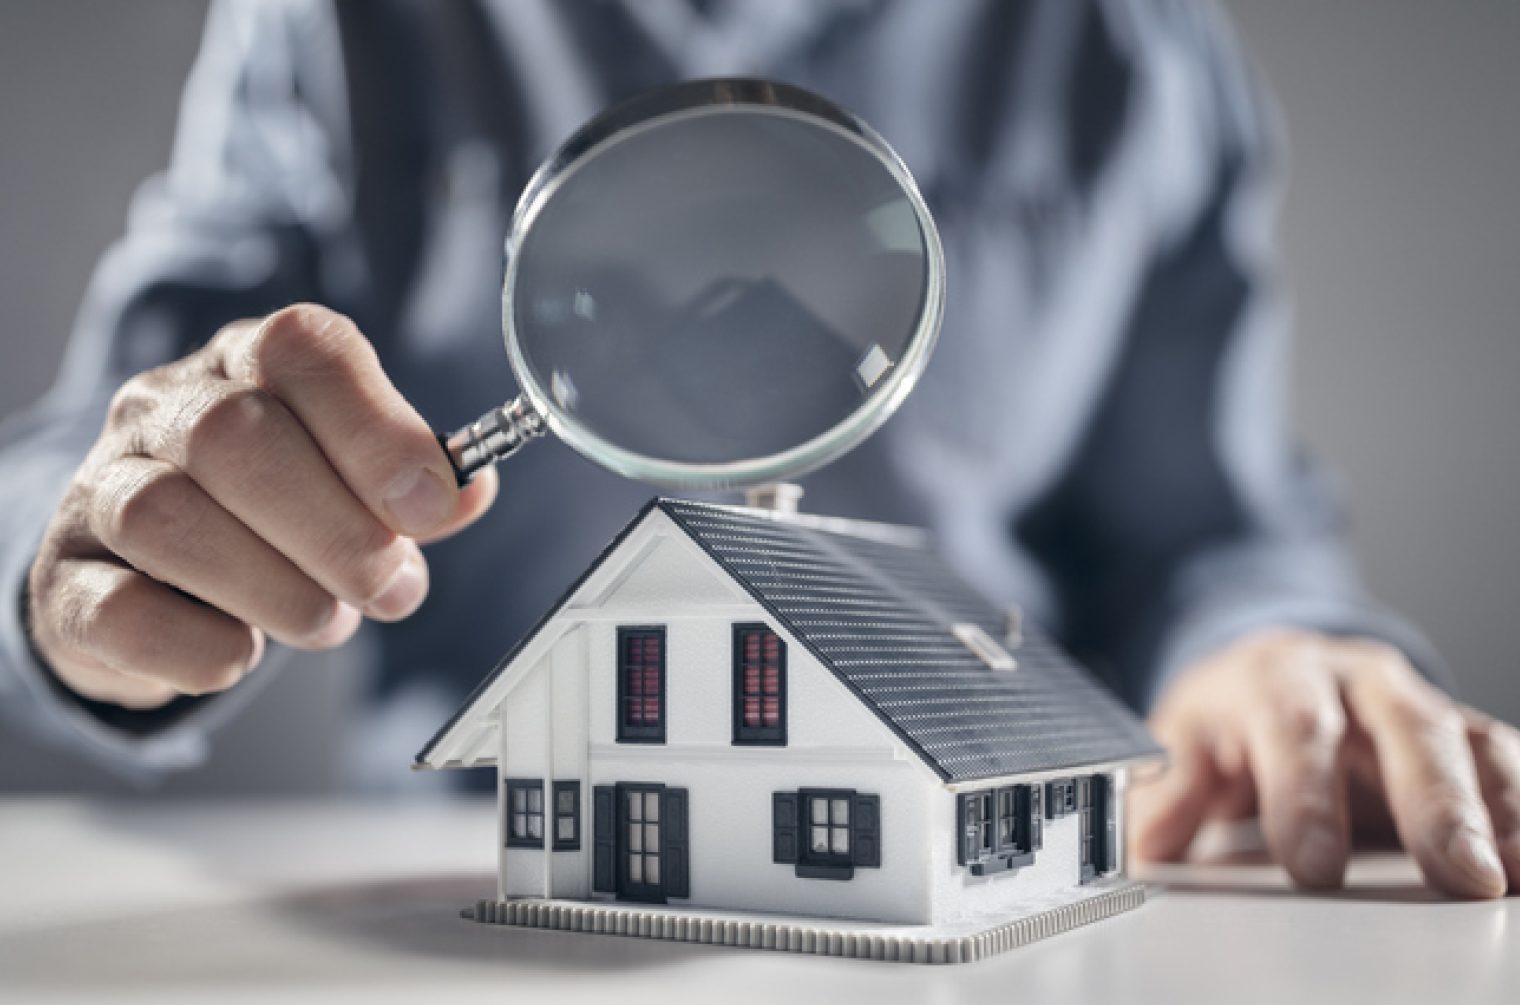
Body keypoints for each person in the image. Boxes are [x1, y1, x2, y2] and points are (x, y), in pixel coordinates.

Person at [1, 0, 1514, 899]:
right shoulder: (339, 18)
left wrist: (1268, 651)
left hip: (973, 914)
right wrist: (96, 568)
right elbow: (88, 455)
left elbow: (1209, 534)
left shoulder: (1122, 38)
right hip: (470, 910)